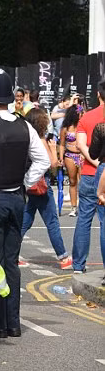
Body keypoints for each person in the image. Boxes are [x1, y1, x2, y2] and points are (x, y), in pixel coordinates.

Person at [0, 69, 48, 339]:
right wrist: (24, 182)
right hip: (17, 198)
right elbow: (43, 160)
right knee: (10, 261)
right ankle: (13, 322)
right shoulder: (24, 126)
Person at [21, 109, 71, 268]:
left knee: (25, 220)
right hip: (42, 185)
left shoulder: (28, 138)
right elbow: (52, 163)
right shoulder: (41, 140)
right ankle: (63, 257)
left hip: (31, 183)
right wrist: (53, 148)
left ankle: (11, 253)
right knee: (52, 222)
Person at [74, 81, 105, 273]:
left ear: (98, 94)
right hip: (103, 174)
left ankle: (78, 264)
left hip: (89, 173)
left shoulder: (87, 117)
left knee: (84, 219)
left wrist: (95, 163)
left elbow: (80, 144)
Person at [58, 105, 82, 217]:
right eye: (80, 113)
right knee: (72, 182)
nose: (82, 114)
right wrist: (61, 158)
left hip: (82, 155)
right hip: (70, 156)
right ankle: (73, 207)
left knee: (83, 182)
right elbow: (62, 144)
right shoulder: (65, 128)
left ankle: (84, 206)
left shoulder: (83, 125)